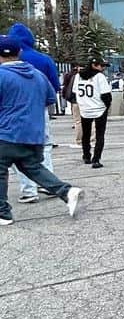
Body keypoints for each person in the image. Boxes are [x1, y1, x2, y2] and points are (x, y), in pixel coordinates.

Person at [0, 35, 82, 224]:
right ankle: (67, 191)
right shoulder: (37, 74)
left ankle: (3, 213)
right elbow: (50, 99)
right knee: (32, 167)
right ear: (19, 52)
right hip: (33, 133)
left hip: (5, 132)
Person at [6, 23, 60, 205]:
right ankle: (47, 183)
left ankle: (29, 190)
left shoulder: (5, 64)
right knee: (45, 146)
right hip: (39, 109)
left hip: (10, 112)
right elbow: (55, 86)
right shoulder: (43, 60)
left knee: (15, 150)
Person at [71, 58, 112, 169]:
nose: (103, 68)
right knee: (99, 135)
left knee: (86, 134)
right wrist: (107, 106)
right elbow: (106, 95)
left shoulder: (78, 76)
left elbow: (74, 92)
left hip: (84, 108)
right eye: (101, 66)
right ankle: (96, 159)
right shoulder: (99, 77)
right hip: (99, 108)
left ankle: (86, 155)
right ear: (94, 65)